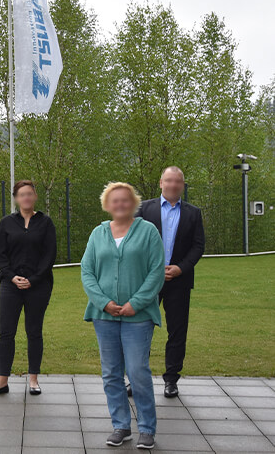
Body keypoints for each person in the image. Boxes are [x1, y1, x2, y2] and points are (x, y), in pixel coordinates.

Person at [81, 182, 164, 450]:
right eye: (115, 200)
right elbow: (87, 272)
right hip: (104, 316)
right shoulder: (98, 233)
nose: (120, 204)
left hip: (137, 317)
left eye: (125, 200)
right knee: (111, 373)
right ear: (108, 204)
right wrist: (104, 303)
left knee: (138, 372)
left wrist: (135, 304)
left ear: (134, 203)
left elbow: (156, 272)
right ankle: (121, 426)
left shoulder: (148, 231)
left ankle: (147, 429)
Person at [132, 166, 205, 398]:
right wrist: (152, 269)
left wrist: (181, 268)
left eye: (178, 181)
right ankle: (135, 380)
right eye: (169, 180)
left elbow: (198, 246)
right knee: (140, 330)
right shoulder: (143, 209)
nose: (173, 185)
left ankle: (171, 380)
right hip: (147, 281)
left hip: (179, 281)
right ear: (161, 183)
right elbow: (134, 242)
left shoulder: (193, 213)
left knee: (177, 331)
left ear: (182, 185)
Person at [0, 180, 57, 397]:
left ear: (35, 197)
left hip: (38, 286)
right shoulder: (7, 222)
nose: (26, 198)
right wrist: (12, 276)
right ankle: (1, 381)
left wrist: (33, 279)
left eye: (29, 194)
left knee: (34, 332)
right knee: (6, 333)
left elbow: (49, 255)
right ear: (16, 198)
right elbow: (0, 253)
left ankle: (33, 380)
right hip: (10, 286)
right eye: (22, 195)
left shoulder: (45, 223)